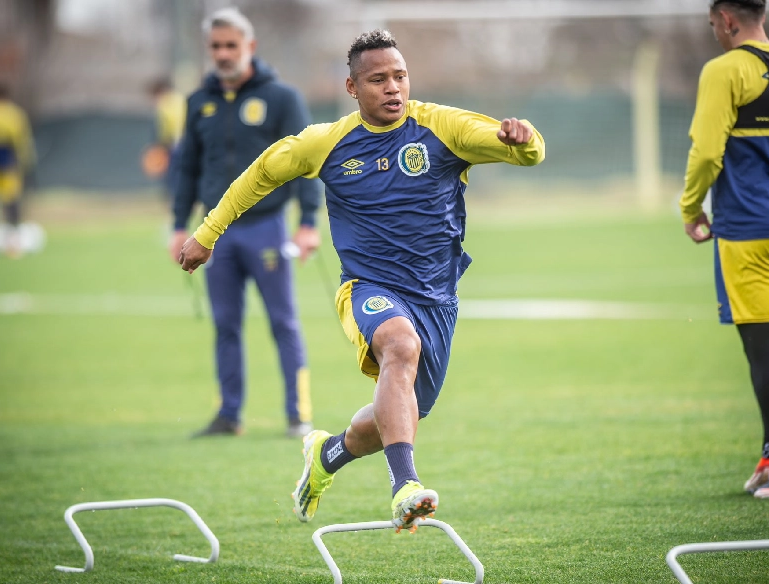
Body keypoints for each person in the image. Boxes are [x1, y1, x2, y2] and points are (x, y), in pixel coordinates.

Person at [178, 29, 545, 529]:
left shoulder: (441, 126)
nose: (393, 88)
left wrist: (523, 139)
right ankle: (405, 487)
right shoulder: (327, 142)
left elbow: (526, 151)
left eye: (400, 76)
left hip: (437, 298)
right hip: (368, 289)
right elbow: (261, 173)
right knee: (400, 346)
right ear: (352, 88)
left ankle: (327, 456)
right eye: (378, 80)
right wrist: (208, 234)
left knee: (404, 412)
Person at [171, 7, 322, 439]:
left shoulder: (282, 98)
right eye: (215, 46)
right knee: (225, 323)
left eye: (230, 45)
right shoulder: (198, 102)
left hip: (268, 227)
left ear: (250, 47)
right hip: (215, 234)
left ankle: (299, 415)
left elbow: (307, 163)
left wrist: (309, 221)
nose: (222, 54)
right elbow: (188, 171)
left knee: (283, 321)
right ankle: (229, 415)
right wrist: (180, 226)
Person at [680, 0, 769, 498]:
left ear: (727, 19)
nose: (715, 33)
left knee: (764, 352)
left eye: (713, 25)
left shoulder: (724, 70)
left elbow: (707, 151)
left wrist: (690, 208)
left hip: (750, 230)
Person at [0, 84, 36, 259]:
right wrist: (26, 163)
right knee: (11, 202)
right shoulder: (15, 114)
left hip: (6, 158)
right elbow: (22, 142)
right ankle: (13, 242)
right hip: (8, 162)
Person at [144, 78, 186, 199]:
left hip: (176, 145)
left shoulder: (163, 104)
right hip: (190, 142)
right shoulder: (180, 98)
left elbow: (164, 131)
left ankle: (175, 203)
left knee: (172, 178)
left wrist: (160, 146)